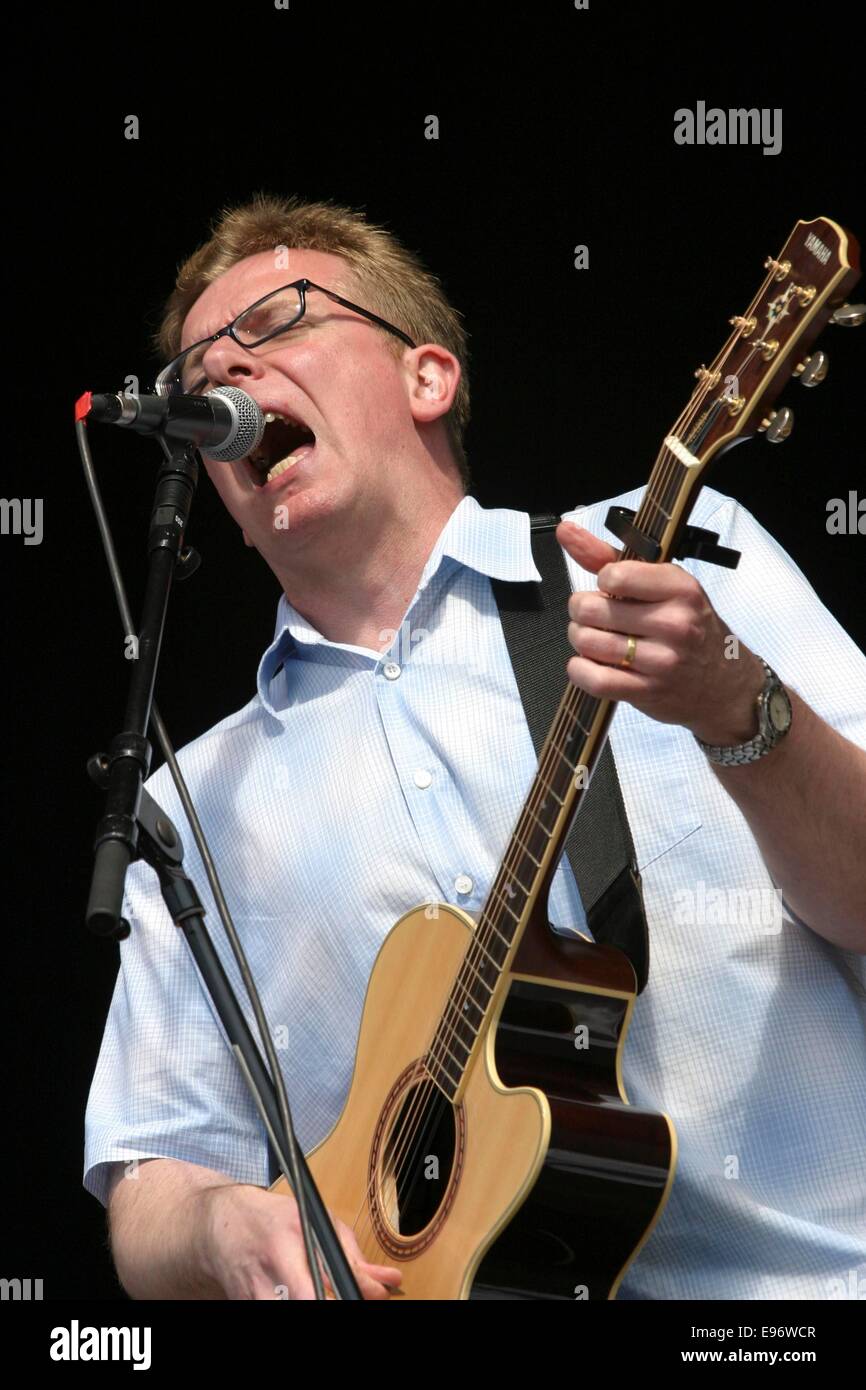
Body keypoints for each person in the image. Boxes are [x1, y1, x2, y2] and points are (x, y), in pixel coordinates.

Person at [83, 194, 866, 1301]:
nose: (228, 383)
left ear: (425, 378)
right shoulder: (192, 803)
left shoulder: (673, 562)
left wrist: (736, 703)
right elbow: (152, 1168)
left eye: (276, 323)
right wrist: (218, 1226)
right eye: (197, 379)